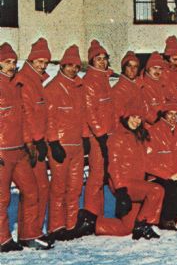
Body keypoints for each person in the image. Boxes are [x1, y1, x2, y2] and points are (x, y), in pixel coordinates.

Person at [73, 101, 163, 240]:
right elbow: (113, 167)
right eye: (133, 117)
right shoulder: (117, 137)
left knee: (126, 228)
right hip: (125, 185)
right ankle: (145, 225)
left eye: (139, 118)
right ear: (126, 117)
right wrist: (121, 190)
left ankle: (90, 221)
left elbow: (147, 163)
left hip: (137, 184)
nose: (136, 121)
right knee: (157, 190)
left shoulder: (138, 137)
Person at [0, 43, 51, 251]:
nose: (11, 66)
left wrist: (29, 144)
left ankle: (29, 234)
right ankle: (3, 239)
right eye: (6, 62)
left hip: (19, 149)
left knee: (32, 191)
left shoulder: (18, 84)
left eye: (13, 62)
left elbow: (25, 118)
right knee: (2, 198)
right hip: (2, 151)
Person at [45, 45, 86, 243]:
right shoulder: (52, 88)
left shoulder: (79, 87)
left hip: (76, 144)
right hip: (61, 145)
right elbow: (50, 118)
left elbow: (83, 115)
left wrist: (85, 137)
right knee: (59, 188)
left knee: (75, 187)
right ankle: (56, 226)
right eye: (69, 65)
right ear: (62, 65)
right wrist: (53, 141)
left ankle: (70, 225)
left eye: (76, 66)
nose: (72, 69)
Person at [15, 38, 52, 238]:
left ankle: (31, 230)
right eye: (39, 61)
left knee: (37, 188)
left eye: (45, 62)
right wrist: (34, 140)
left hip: (36, 142)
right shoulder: (27, 81)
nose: (43, 65)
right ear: (31, 60)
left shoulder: (35, 80)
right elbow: (26, 114)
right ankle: (32, 232)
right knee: (37, 188)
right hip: (30, 145)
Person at [145, 101, 177, 230]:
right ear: (163, 115)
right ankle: (166, 219)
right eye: (170, 114)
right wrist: (168, 174)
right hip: (157, 175)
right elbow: (147, 161)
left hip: (174, 175)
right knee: (176, 188)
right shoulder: (154, 131)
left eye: (176, 114)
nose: (173, 117)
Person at [82, 40, 115, 221]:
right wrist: (101, 134)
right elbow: (90, 111)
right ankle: (91, 213)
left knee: (101, 174)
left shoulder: (103, 79)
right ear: (91, 61)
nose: (102, 62)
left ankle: (98, 213)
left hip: (107, 134)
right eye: (98, 59)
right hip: (98, 136)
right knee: (96, 175)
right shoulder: (91, 81)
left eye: (104, 58)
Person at [111, 51, 143, 122]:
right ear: (123, 68)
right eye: (129, 66)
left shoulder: (138, 86)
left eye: (135, 66)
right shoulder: (118, 90)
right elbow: (117, 117)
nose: (132, 69)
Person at [141, 51, 167, 124]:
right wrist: (157, 122)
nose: (157, 71)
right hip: (150, 127)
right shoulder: (142, 86)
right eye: (155, 68)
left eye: (160, 69)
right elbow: (145, 110)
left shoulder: (163, 84)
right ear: (148, 68)